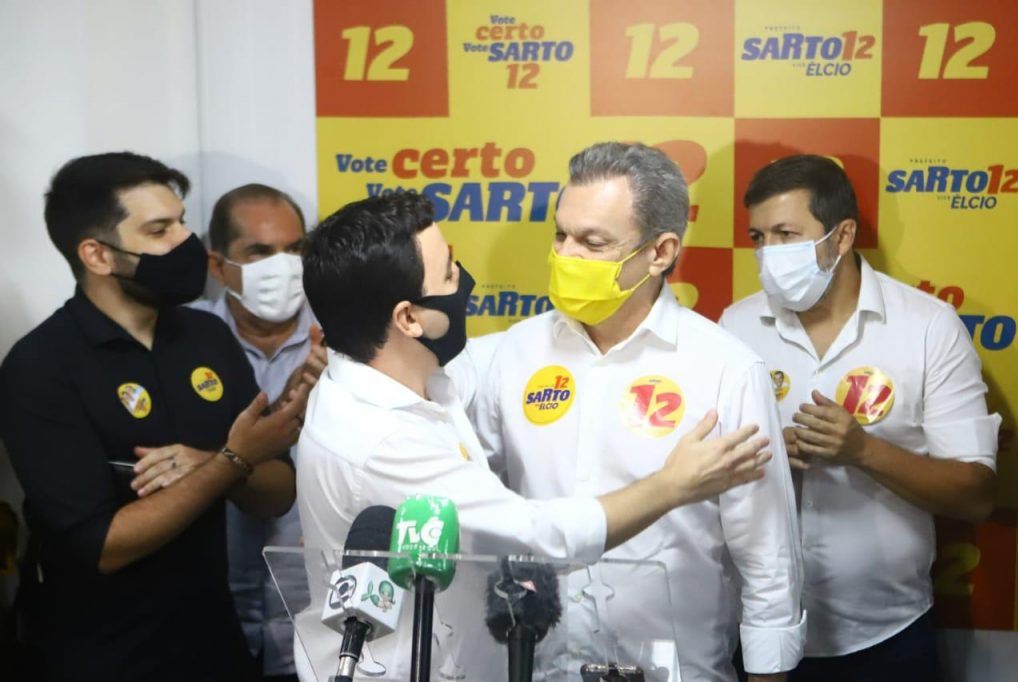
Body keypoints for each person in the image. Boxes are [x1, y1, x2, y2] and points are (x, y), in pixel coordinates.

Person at [293, 190, 774, 681]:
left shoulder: (417, 373)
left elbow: (510, 354)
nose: (463, 282)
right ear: (409, 318)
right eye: (450, 273)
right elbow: (537, 538)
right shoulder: (379, 437)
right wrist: (671, 486)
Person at [470, 141, 805, 682]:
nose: (567, 255)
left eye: (592, 242)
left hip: (678, 670)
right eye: (560, 235)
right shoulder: (513, 352)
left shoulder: (725, 367)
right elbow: (475, 507)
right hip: (535, 667)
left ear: (660, 252)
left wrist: (770, 673)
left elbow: (767, 556)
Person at [0, 152, 308, 682]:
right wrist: (229, 462)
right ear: (98, 255)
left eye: (182, 222)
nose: (185, 241)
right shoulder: (41, 366)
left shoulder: (207, 336)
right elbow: (101, 546)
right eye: (160, 230)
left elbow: (277, 491)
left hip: (216, 647)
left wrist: (214, 462)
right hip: (103, 658)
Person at [719, 154, 999, 682]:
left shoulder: (927, 327)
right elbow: (701, 478)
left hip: (889, 634)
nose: (769, 254)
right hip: (758, 631)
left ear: (842, 236)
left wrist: (864, 451)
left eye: (786, 235)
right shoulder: (736, 326)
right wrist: (767, 457)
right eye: (758, 238)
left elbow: (976, 494)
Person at [194, 183, 326, 682]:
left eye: (295, 249)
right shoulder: (184, 346)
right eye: (260, 252)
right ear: (217, 265)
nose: (284, 267)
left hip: (320, 625)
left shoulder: (347, 341)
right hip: (208, 624)